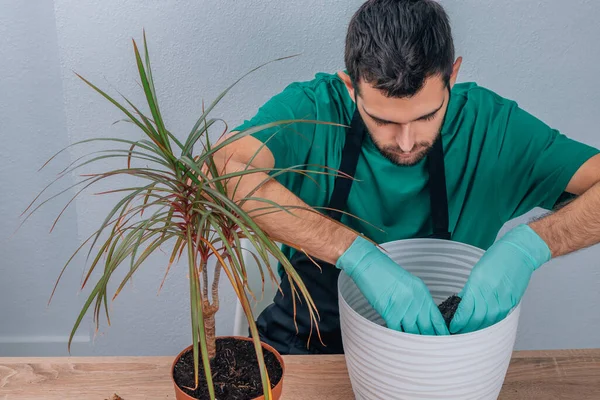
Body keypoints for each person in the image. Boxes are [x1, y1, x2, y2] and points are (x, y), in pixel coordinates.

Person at [214, 0, 600, 355]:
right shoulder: (313, 110)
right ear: (351, 87)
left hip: (435, 360)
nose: (405, 141)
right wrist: (357, 256)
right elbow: (222, 170)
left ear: (453, 76)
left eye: (426, 116)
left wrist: (529, 246)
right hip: (304, 347)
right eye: (382, 120)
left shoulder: (493, 127)